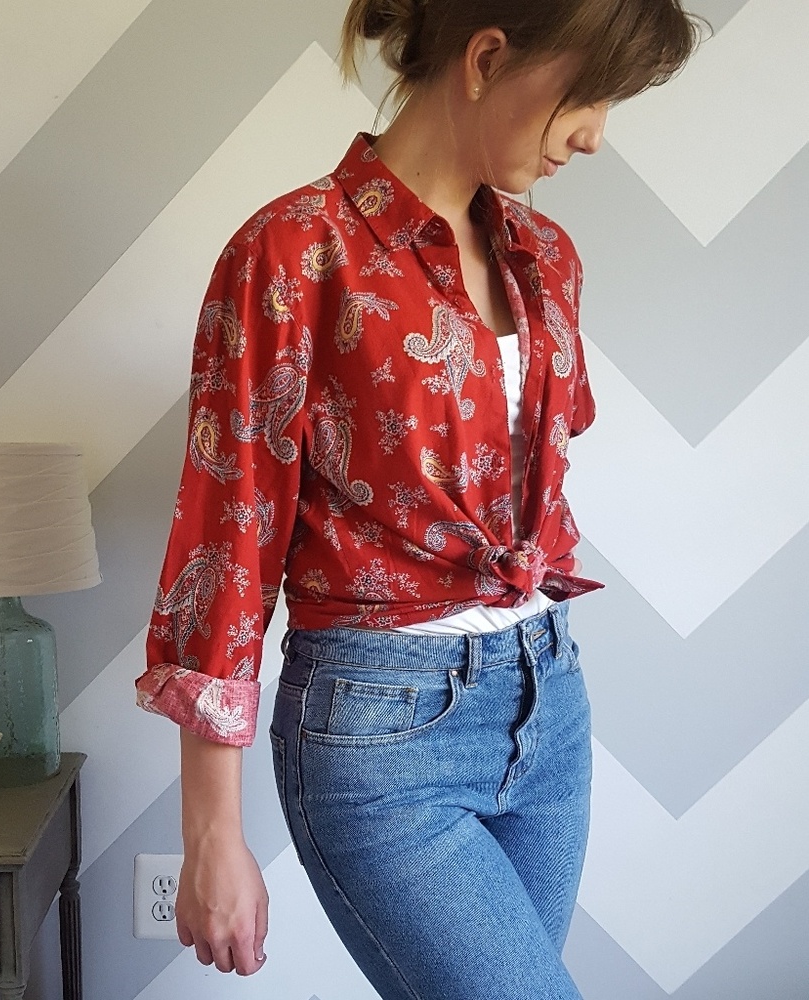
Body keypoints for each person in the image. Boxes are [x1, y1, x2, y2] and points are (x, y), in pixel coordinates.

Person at [135, 1, 706, 996]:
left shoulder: (548, 258)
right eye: (588, 93)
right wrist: (210, 835)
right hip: (379, 731)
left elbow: (534, 471)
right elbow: (228, 538)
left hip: (551, 703)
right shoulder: (293, 253)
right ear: (487, 58)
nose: (595, 133)